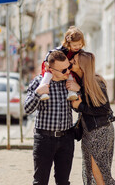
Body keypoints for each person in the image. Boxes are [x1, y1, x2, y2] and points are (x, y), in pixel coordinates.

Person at [66, 50, 115, 185]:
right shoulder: (81, 82)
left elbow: (104, 109)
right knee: (89, 173)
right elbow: (78, 105)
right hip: (88, 132)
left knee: (100, 173)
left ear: (83, 66)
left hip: (100, 131)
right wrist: (78, 99)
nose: (71, 62)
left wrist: (80, 104)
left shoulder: (96, 81)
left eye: (75, 61)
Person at [24, 51, 75, 185]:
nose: (68, 71)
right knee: (40, 182)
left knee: (63, 182)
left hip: (66, 139)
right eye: (64, 70)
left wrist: (78, 90)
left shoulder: (70, 83)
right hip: (44, 140)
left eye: (68, 67)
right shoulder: (38, 82)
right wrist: (37, 93)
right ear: (51, 69)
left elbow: (77, 107)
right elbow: (27, 109)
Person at [40, 26, 85, 101]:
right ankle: (43, 92)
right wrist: (46, 62)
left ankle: (71, 93)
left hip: (69, 69)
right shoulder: (62, 49)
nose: (77, 47)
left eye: (80, 44)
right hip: (55, 67)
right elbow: (51, 53)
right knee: (48, 75)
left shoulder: (80, 51)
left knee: (71, 77)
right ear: (68, 43)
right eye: (74, 45)